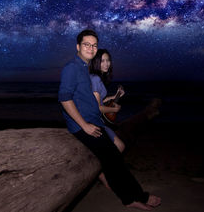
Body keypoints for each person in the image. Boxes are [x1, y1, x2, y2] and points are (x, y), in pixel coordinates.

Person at [58, 29, 161, 210]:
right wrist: (84, 125)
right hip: (83, 126)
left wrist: (109, 101)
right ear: (77, 46)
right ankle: (136, 197)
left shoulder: (84, 68)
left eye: (94, 45)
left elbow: (86, 98)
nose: (91, 48)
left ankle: (129, 196)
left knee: (113, 160)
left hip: (94, 122)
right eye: (86, 44)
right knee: (115, 161)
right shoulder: (71, 68)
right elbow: (65, 99)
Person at [89, 49, 126, 189]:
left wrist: (114, 97)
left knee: (119, 147)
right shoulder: (95, 78)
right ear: (96, 62)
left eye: (108, 60)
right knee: (120, 146)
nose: (106, 64)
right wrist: (114, 109)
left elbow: (99, 101)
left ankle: (103, 172)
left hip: (97, 118)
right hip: (93, 120)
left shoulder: (97, 78)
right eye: (102, 61)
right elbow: (97, 108)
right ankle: (102, 173)